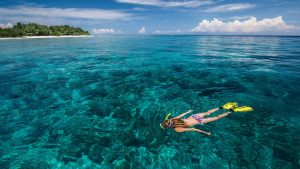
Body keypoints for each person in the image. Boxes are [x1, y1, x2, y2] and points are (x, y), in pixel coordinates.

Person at [160, 102, 253, 136]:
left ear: (168, 127)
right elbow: (181, 114)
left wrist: (206, 133)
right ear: (168, 121)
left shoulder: (177, 129)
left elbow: (193, 129)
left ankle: (232, 111)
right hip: (194, 116)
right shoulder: (174, 119)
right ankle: (221, 107)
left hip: (199, 121)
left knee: (216, 118)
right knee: (208, 112)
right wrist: (188, 111)